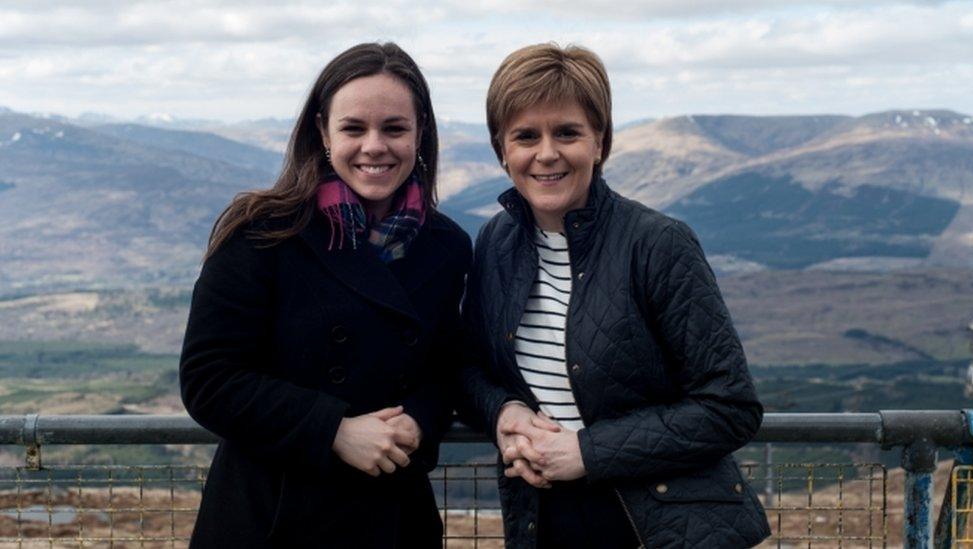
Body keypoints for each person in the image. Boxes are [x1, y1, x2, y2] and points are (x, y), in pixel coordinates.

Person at [456, 43, 771, 548]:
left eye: (567, 133)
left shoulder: (657, 243)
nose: (546, 153)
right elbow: (469, 366)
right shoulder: (497, 242)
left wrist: (587, 451)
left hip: (663, 528)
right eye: (525, 136)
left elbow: (730, 406)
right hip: (545, 518)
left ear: (599, 141)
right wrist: (503, 411)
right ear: (502, 150)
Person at [179, 42, 470, 548]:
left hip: (394, 517)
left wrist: (418, 424)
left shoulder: (446, 246)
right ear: (322, 132)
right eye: (354, 128)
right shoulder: (263, 232)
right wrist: (332, 429)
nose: (374, 146)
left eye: (394, 128)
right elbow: (209, 378)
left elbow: (447, 369)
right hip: (271, 518)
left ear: (420, 132)